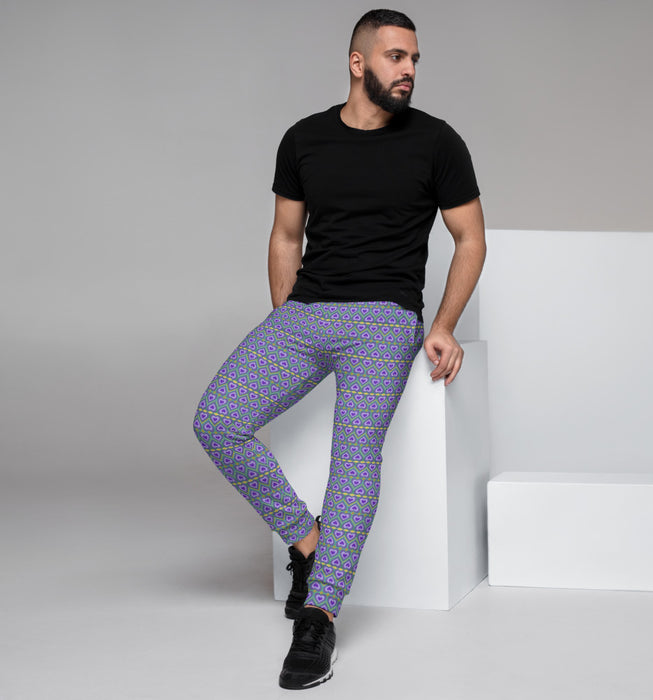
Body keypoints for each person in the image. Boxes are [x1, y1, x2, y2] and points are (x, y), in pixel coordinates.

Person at [192, 8, 486, 691]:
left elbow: (470, 239)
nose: (408, 70)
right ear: (358, 64)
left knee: (353, 457)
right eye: (395, 57)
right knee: (216, 421)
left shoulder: (438, 142)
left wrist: (443, 324)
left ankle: (319, 615)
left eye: (414, 59)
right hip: (306, 313)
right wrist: (283, 318)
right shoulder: (304, 139)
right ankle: (308, 543)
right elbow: (285, 235)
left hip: (385, 320)